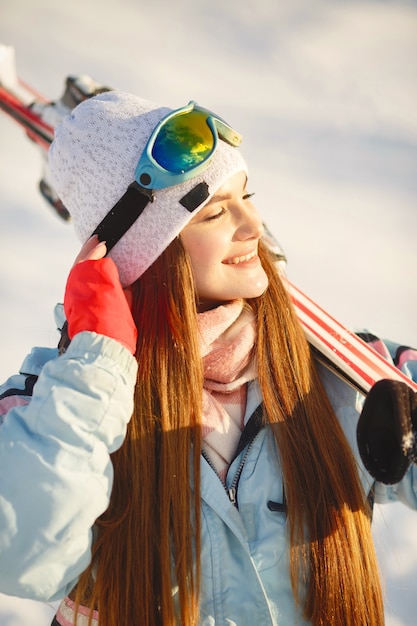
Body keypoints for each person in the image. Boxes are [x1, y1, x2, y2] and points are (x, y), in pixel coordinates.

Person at [0, 91, 416, 626]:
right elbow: (20, 552)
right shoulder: (54, 398)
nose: (253, 226)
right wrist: (97, 362)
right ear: (145, 254)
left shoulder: (340, 371)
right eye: (215, 212)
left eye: (248, 196)